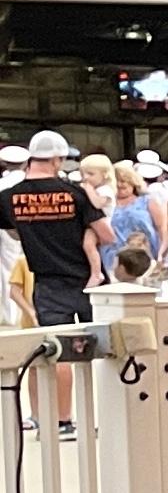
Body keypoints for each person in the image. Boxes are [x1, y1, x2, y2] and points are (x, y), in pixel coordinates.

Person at [2, 132, 106, 426]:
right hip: (89, 281)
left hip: (46, 281)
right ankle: (96, 416)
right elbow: (106, 233)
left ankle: (51, 418)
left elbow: (10, 230)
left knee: (52, 347)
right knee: (106, 348)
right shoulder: (75, 193)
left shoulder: (10, 196)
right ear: (59, 159)